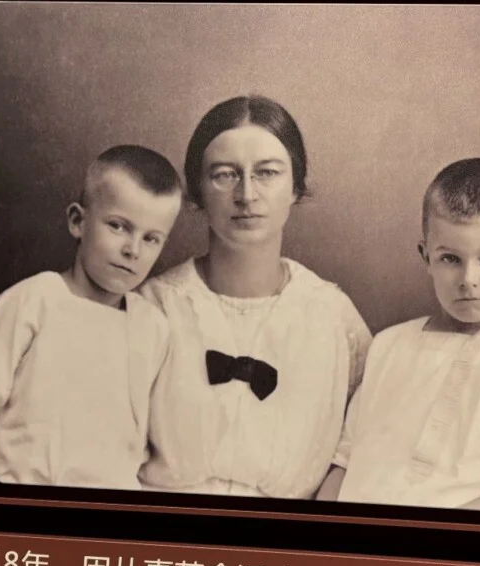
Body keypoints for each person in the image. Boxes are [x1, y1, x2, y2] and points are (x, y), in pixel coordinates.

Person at [139, 95, 371, 499]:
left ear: (296, 187)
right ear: (195, 192)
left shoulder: (334, 317)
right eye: (225, 174)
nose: (247, 194)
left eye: (267, 173)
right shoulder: (154, 308)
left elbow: (367, 443)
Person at [318, 158, 480, 512]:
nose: (469, 279)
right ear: (426, 255)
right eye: (451, 259)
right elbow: (344, 463)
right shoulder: (388, 344)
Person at [0, 144, 183, 488]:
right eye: (118, 226)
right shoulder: (34, 301)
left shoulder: (153, 327)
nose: (133, 250)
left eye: (151, 238)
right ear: (78, 221)